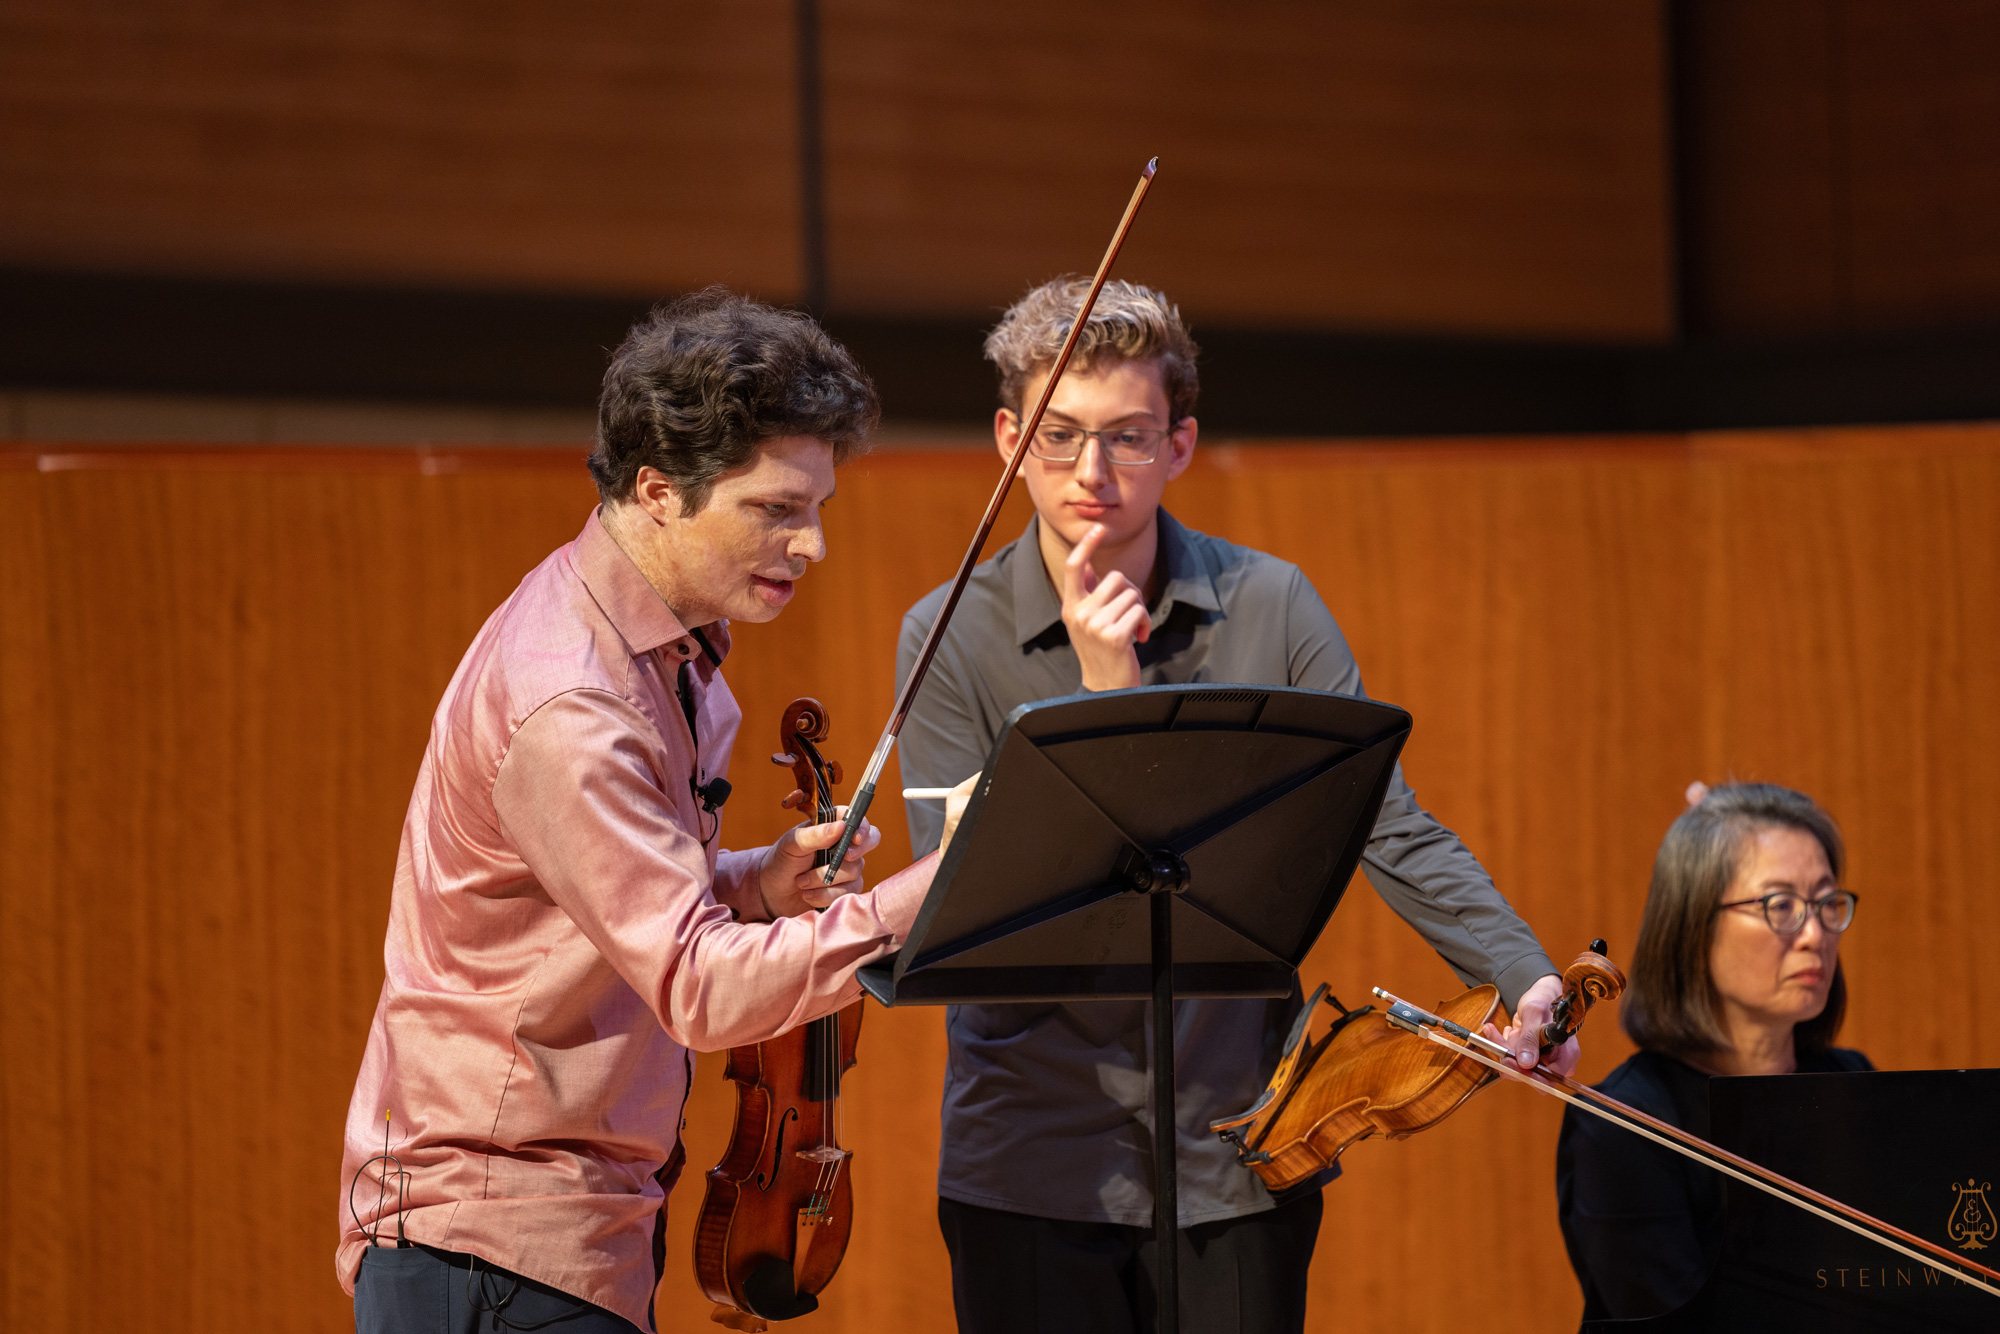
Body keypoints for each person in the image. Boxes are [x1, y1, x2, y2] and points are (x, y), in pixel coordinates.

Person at [894, 277, 1581, 1334]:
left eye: (1126, 436)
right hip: (1028, 1162)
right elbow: (959, 899)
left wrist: (1518, 970)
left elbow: (1383, 820)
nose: (1091, 470)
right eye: (1060, 434)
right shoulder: (945, 633)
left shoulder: (1272, 603)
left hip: (1237, 1147)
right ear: (1008, 438)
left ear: (1177, 445)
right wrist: (1100, 692)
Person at [336, 290, 971, 1334]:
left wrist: (756, 883)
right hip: (494, 1249)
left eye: (816, 508)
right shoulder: (575, 702)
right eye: (774, 509)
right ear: (657, 490)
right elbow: (697, 986)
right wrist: (930, 887)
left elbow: (597, 907)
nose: (809, 544)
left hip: (545, 1241)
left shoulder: (658, 648)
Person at [1556, 781, 1869, 1322]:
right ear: (1693, 926)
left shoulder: (1852, 1085)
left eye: (1825, 903)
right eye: (1781, 905)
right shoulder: (1623, 1126)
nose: (1815, 934)